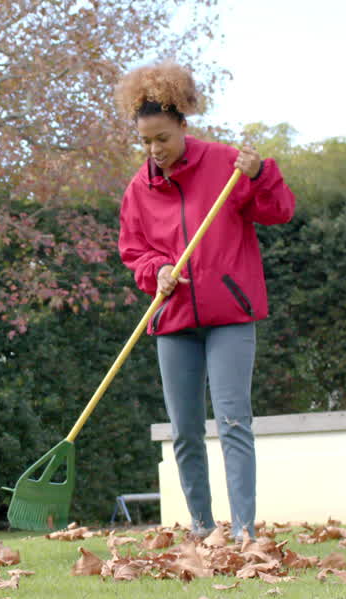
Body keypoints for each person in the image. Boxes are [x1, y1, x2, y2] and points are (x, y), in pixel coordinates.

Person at [115, 62, 296, 541]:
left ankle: (242, 532)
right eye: (146, 142)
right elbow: (134, 251)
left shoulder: (225, 164)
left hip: (230, 317)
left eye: (162, 139)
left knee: (234, 419)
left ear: (182, 125)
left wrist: (260, 175)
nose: (155, 151)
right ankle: (201, 527)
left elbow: (278, 211)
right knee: (186, 430)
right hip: (173, 321)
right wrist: (157, 271)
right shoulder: (139, 189)